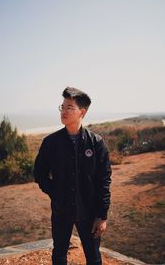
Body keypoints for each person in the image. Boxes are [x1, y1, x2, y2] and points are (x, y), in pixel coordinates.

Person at [34, 87, 112, 265]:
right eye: (62, 106)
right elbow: (39, 173)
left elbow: (104, 180)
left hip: (90, 213)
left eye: (69, 107)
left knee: (93, 257)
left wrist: (102, 215)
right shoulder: (50, 142)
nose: (63, 111)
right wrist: (55, 192)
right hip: (61, 211)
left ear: (82, 112)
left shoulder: (96, 143)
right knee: (59, 254)